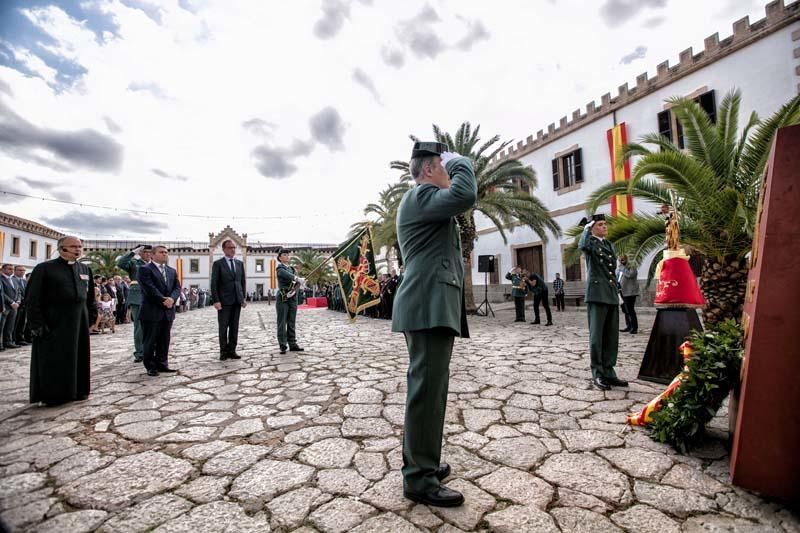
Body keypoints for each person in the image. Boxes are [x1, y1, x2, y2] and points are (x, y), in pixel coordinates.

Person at [392, 141, 476, 508]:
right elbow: (464, 194)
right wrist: (463, 163)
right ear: (429, 170)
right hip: (427, 304)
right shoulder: (422, 195)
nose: (448, 172)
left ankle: (421, 462)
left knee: (431, 390)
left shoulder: (424, 199)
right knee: (427, 392)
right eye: (443, 166)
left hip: (431, 303)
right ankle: (419, 479)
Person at [26, 236, 96, 405]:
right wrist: (37, 324)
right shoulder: (45, 269)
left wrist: (92, 317)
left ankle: (78, 390)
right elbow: (32, 298)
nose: (78, 249)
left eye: (80, 246)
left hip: (79, 322)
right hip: (54, 323)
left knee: (78, 357)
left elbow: (90, 296)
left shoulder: (85, 270)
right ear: (62, 249)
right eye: (73, 246)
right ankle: (54, 395)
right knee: (54, 359)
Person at [579, 214, 627, 390]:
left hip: (611, 293)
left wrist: (618, 293)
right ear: (592, 228)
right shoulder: (590, 242)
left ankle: (609, 372)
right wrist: (586, 229)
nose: (604, 227)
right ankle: (598, 374)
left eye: (605, 224)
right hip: (597, 294)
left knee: (611, 336)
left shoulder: (607, 244)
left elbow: (611, 271)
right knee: (597, 336)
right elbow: (582, 245)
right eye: (600, 224)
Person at [137, 245, 181, 377]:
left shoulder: (172, 271)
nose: (165, 254)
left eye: (166, 252)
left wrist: (172, 299)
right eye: (161, 252)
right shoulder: (144, 270)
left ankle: (162, 363)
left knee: (164, 339)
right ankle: (150, 366)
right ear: (152, 255)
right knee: (150, 340)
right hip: (151, 310)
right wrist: (163, 300)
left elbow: (177, 288)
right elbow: (149, 288)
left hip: (168, 312)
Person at [211, 239, 246, 360]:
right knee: (223, 327)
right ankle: (223, 352)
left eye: (234, 247)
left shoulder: (239, 263)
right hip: (224, 301)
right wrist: (216, 300)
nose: (233, 249)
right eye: (230, 247)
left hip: (237, 300)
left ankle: (232, 350)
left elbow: (242, 282)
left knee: (234, 327)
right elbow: (214, 283)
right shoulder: (218, 264)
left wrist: (243, 298)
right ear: (224, 249)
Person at [117, 245, 152, 362]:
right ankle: (140, 352)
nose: (148, 254)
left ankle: (151, 350)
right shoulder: (134, 263)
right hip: (138, 295)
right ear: (140, 253)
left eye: (149, 252)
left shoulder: (155, 265)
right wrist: (132, 253)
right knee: (139, 326)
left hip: (153, 296)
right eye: (145, 252)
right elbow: (121, 263)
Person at [275, 247, 304, 355]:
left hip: (292, 297)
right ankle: (283, 345)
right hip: (283, 296)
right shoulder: (280, 268)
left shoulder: (292, 269)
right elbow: (286, 275)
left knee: (291, 321)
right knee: (282, 322)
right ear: (280, 258)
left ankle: (292, 344)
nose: (287, 256)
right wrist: (296, 278)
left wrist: (300, 283)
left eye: (287, 254)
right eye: (284, 255)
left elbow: (296, 282)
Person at [617, 255, 639, 334]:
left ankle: (634, 328)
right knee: (625, 310)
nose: (621, 261)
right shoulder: (620, 267)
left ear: (626, 259)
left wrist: (623, 269)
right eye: (619, 260)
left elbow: (630, 275)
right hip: (621, 291)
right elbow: (618, 277)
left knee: (630, 310)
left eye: (622, 260)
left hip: (630, 292)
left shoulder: (632, 266)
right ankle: (629, 326)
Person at [13, 265, 29, 346]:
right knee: (15, 323)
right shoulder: (12, 279)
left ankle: (20, 338)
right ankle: (13, 339)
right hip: (16, 305)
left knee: (22, 323)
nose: (22, 272)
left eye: (23, 270)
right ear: (15, 271)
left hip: (24, 305)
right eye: (20, 270)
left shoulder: (24, 281)